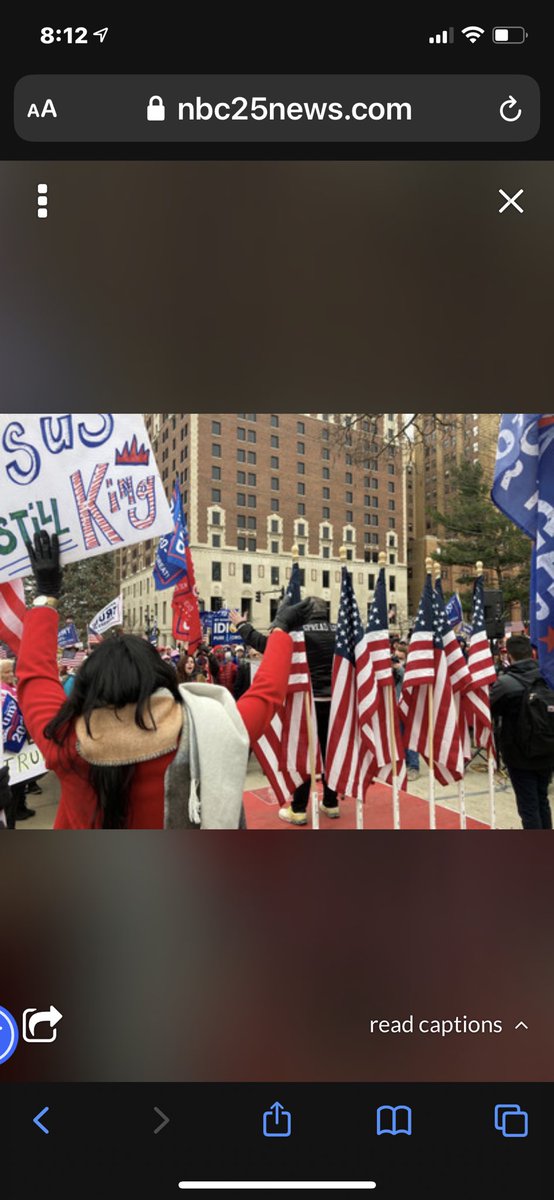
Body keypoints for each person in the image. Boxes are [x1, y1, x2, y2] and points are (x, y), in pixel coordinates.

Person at [16, 531, 312, 830]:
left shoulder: (64, 740)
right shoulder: (205, 730)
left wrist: (46, 594)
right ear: (160, 674)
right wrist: (279, 630)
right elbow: (266, 693)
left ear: (87, 683)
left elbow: (34, 675)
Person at [231, 597, 339, 825]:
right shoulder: (340, 631)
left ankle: (298, 808)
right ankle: (331, 802)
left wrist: (242, 625)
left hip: (308, 701)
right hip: (336, 701)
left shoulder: (299, 634)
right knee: (331, 752)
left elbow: (267, 645)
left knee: (303, 752)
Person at [490, 634, 554, 830]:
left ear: (509, 656)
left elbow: (490, 710)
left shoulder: (505, 683)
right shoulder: (548, 677)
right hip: (547, 749)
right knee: (542, 800)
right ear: (532, 652)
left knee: (528, 807)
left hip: (519, 755)